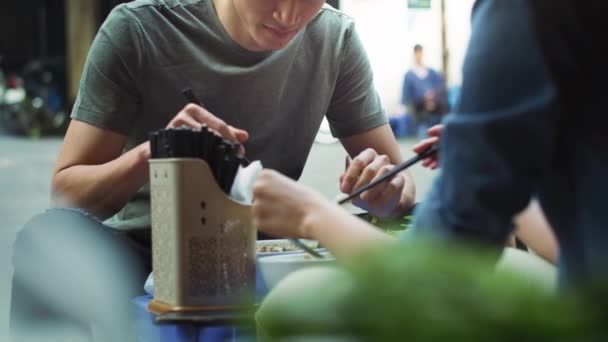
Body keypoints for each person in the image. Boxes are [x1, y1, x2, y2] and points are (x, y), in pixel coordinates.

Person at [10, 0, 417, 340]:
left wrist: (383, 187)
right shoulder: (140, 29)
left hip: (263, 249)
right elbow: (66, 195)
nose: (289, 15)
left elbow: (401, 182)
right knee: (43, 240)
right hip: (142, 247)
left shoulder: (335, 38)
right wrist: (153, 152)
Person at [251, 0, 606, 286]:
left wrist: (311, 215)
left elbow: (440, 260)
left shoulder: (524, 12)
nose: (288, 15)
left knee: (292, 299)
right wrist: (498, 171)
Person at [401, 44, 449, 138]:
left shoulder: (431, 72)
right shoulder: (409, 75)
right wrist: (424, 99)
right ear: (414, 55)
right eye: (417, 54)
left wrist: (432, 97)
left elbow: (441, 86)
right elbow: (406, 96)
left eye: (420, 53)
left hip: (436, 106)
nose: (419, 56)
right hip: (420, 108)